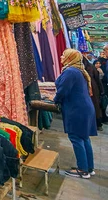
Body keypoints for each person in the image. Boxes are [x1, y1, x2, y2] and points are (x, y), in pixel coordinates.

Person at [54, 49, 97, 179]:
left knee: (76, 138)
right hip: (84, 107)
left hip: (77, 109)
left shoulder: (71, 72)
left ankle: (83, 170)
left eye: (63, 55)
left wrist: (55, 100)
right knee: (84, 138)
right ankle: (88, 167)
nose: (61, 57)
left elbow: (63, 91)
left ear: (70, 58)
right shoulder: (77, 71)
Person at [83, 57, 104, 131]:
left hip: (93, 90)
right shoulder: (79, 68)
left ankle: (97, 124)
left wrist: (101, 91)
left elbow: (97, 80)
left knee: (95, 107)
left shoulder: (90, 67)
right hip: (86, 90)